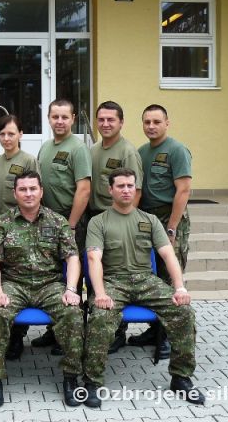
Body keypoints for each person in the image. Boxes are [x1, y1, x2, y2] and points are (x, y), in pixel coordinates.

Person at [83, 168, 204, 408]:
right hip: (114, 281)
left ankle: (181, 378)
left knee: (183, 312)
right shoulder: (98, 222)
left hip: (146, 281)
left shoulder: (149, 220)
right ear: (110, 190)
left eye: (130, 185)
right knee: (100, 317)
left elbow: (168, 255)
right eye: (120, 186)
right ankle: (92, 382)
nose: (126, 190)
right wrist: (100, 293)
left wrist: (179, 288)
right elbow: (94, 258)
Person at [0, 171, 84, 408]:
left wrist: (71, 289)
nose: (28, 194)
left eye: (32, 189)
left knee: (72, 313)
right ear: (15, 193)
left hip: (49, 284)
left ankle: (71, 377)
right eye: (23, 189)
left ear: (41, 191)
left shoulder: (57, 221)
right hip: (14, 284)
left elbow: (72, 257)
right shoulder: (2, 223)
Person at [129, 104, 193, 356]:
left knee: (169, 276)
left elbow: (183, 190)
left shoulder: (177, 150)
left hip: (170, 218)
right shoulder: (142, 152)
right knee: (152, 277)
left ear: (167, 123)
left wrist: (172, 228)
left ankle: (167, 337)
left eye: (156, 122)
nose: (151, 126)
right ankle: (154, 330)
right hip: (148, 218)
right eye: (147, 122)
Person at [32, 98, 92, 355]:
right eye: (55, 116)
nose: (59, 121)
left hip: (70, 220)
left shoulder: (78, 149)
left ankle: (71, 336)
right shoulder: (45, 148)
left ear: (73, 119)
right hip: (49, 220)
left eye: (64, 117)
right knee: (54, 275)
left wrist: (72, 224)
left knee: (72, 277)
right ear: (48, 118)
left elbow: (84, 189)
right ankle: (54, 329)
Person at [0, 114, 39, 360]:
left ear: (20, 135)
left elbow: (34, 196)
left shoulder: (28, 160)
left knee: (18, 279)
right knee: (0, 280)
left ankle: (16, 336)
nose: (6, 138)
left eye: (11, 133)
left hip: (20, 229)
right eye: (2, 134)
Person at [89, 100, 143, 354]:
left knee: (115, 274)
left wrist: (126, 223)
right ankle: (99, 323)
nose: (105, 124)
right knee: (96, 273)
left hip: (117, 221)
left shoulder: (127, 152)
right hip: (95, 219)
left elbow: (134, 191)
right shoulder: (94, 149)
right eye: (101, 119)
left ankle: (117, 332)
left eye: (111, 119)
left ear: (121, 122)